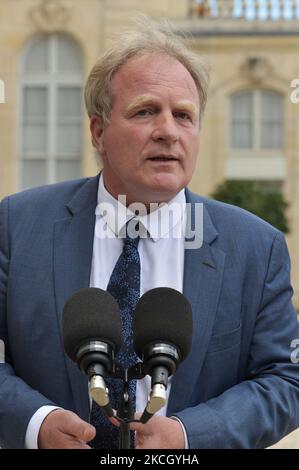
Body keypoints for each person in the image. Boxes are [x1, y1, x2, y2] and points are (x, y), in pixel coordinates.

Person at [0, 17, 299, 450]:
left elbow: (286, 379)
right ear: (98, 132)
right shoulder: (16, 225)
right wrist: (36, 424)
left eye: (183, 115)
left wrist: (190, 435)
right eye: (145, 111)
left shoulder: (257, 247)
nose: (168, 131)